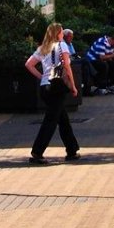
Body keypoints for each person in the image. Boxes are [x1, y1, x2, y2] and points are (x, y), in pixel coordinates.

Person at [25, 22, 80, 163]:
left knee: (62, 118)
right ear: (57, 33)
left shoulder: (43, 47)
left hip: (45, 86)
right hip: (57, 86)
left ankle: (72, 149)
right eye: (61, 31)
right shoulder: (62, 45)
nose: (63, 34)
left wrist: (41, 76)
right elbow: (67, 66)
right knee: (51, 120)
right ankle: (37, 152)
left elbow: (29, 64)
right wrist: (73, 86)